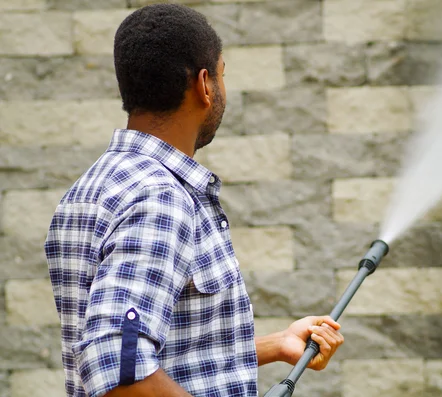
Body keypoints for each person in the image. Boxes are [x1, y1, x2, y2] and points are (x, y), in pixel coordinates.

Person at [44, 4, 344, 397]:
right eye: (222, 74)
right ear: (204, 85)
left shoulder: (93, 187)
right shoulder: (160, 197)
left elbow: (155, 349)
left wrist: (276, 345)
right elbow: (118, 366)